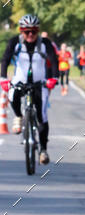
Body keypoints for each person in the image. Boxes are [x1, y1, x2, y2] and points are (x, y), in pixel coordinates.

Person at [0, 14, 59, 164]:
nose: (30, 34)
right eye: (27, 31)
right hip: (20, 80)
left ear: (38, 30)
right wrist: (3, 79)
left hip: (40, 83)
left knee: (42, 116)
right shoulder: (15, 42)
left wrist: (54, 78)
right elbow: (5, 60)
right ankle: (19, 116)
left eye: (33, 31)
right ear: (21, 31)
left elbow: (53, 59)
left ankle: (43, 150)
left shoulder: (45, 43)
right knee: (12, 97)